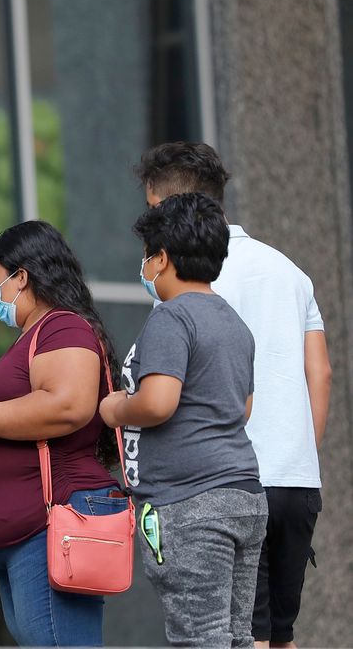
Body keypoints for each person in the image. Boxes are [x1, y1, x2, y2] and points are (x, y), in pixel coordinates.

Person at [136, 142, 331, 648]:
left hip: (224, 481)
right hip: (297, 480)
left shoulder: (186, 281)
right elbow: (321, 373)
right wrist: (300, 455)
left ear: (167, 207)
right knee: (281, 636)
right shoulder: (292, 272)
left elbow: (165, 391)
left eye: (151, 209)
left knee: (237, 638)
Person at [0, 220, 124, 647]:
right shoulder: (32, 336)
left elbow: (67, 405)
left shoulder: (62, 328)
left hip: (47, 523)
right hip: (22, 533)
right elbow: (17, 417)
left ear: (22, 277)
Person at [100, 192, 267, 647]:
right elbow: (243, 407)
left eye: (147, 257)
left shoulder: (171, 318)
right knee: (236, 636)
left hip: (190, 502)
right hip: (245, 497)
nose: (145, 268)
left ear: (163, 259)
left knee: (200, 637)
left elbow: (156, 403)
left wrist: (115, 407)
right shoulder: (234, 322)